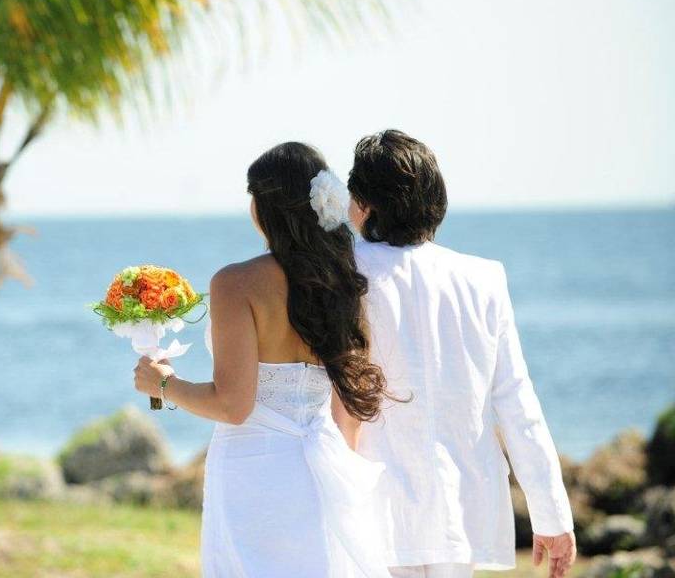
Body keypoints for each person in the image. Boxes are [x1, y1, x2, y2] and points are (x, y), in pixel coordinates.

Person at [133, 141, 395, 578]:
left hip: (254, 475)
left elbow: (233, 406)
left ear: (265, 206)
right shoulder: (343, 282)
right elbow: (345, 411)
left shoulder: (236, 283)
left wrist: (163, 383)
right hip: (319, 470)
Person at [347, 130, 577, 578]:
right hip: (461, 502)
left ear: (364, 203)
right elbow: (515, 401)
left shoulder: (346, 271)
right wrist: (551, 515)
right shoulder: (483, 277)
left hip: (374, 502)